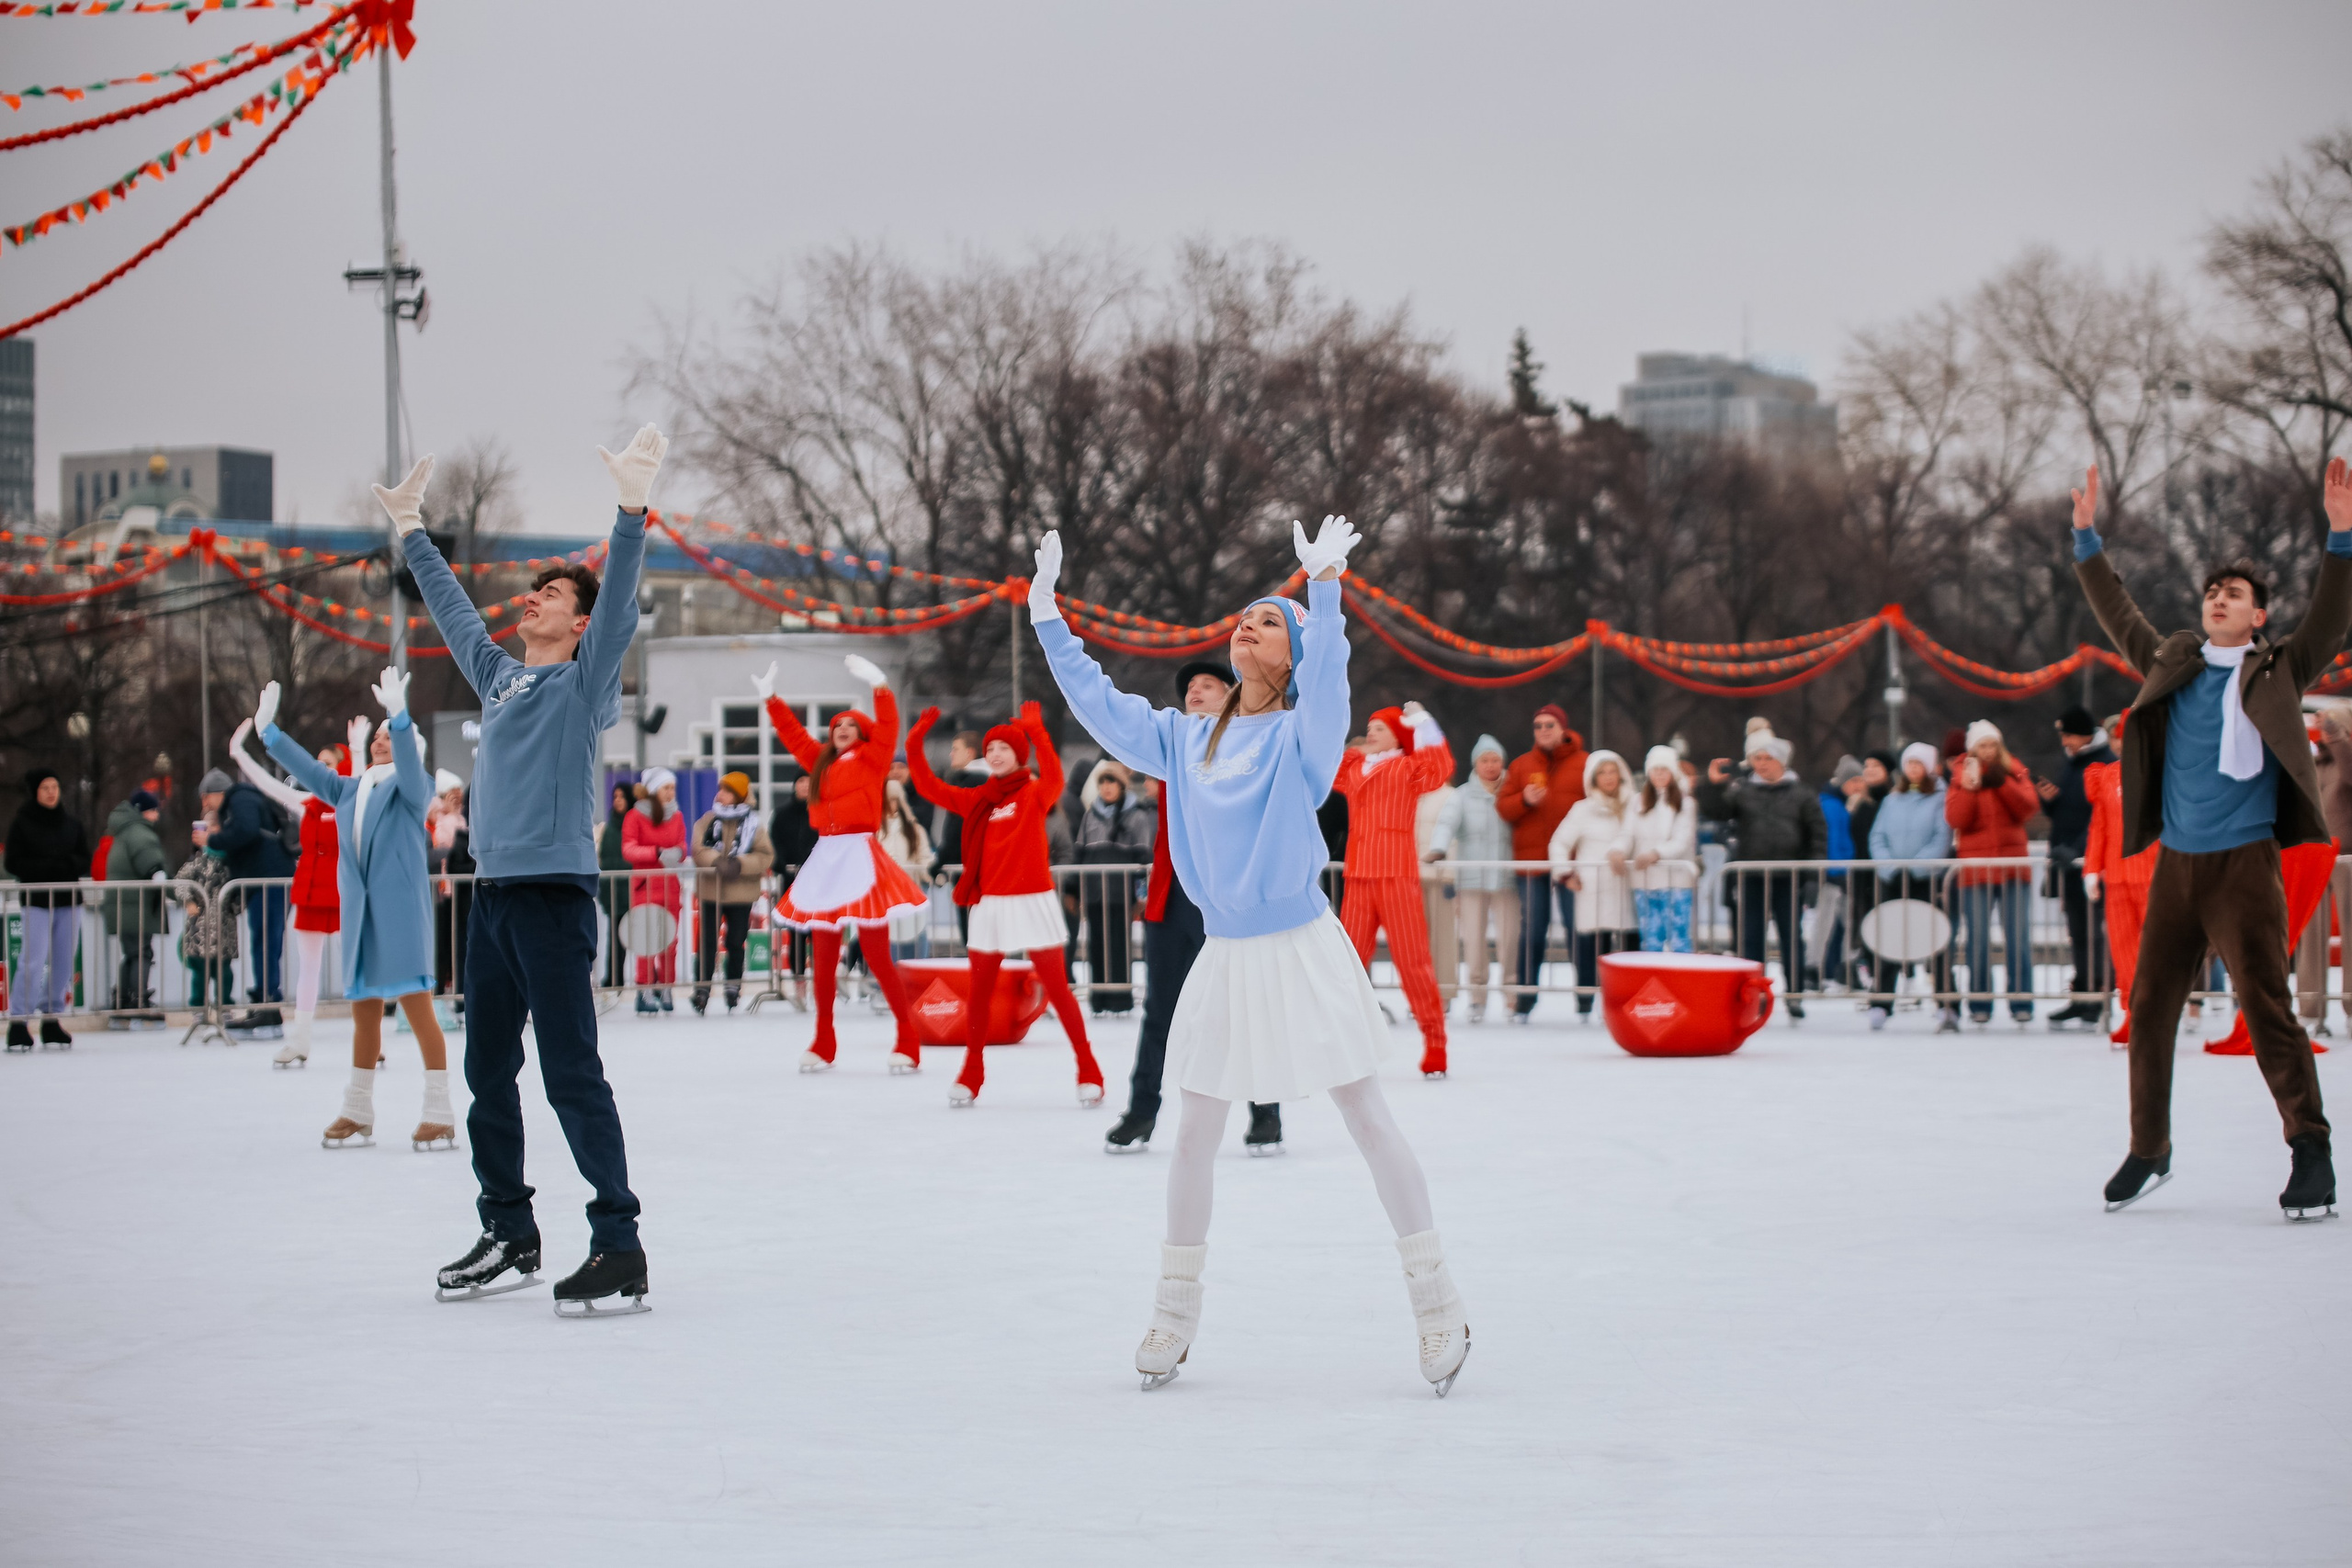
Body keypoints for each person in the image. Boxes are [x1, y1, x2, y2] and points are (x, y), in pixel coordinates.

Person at [1034, 515, 1470, 1396]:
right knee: (1193, 1130)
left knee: (1366, 1117)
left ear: (1291, 654)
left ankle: (1438, 1307)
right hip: (1226, 954)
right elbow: (1099, 703)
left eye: (1266, 621)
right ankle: (1173, 1312)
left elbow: (1335, 675)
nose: (1246, 625)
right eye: (1243, 617)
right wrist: (1049, 618)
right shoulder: (1181, 738)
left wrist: (1325, 591)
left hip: (1303, 942)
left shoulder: (1305, 738)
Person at [390, 431, 664, 1315]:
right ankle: (509, 1227)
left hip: (552, 897)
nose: (532, 599)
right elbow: (455, 614)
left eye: (549, 593)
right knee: (486, 1073)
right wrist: (411, 533)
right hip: (494, 901)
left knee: (570, 1073)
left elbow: (617, 605)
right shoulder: (501, 679)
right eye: (536, 589)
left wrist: (629, 513)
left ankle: (618, 1240)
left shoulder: (583, 682)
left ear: (577, 623)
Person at [2074, 457, 2351, 1219]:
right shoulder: (2174, 661)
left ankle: (2310, 1148)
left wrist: (2342, 535)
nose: (2217, 600)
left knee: (2266, 1005)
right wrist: (2086, 537)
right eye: (2212, 592)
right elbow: (2119, 613)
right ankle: (2149, 1146)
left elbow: (2331, 614)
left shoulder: (2280, 667)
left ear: (2258, 615)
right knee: (2151, 1003)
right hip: (2178, 864)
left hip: (2243, 863)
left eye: (2233, 594)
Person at [256, 671, 458, 1152]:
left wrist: (402, 717)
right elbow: (309, 771)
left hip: (401, 914)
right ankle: (358, 1108)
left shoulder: (414, 787)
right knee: (364, 1013)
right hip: (362, 915)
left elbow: (410, 763)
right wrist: (270, 733)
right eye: (381, 736)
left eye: (392, 736)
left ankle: (439, 1111)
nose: (383, 741)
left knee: (418, 1010)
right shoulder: (350, 789)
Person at [1104, 661, 1285, 1155]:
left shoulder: (1253, 744)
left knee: (1245, 1011)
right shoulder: (1172, 746)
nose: (1195, 693)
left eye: (1208, 686)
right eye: (1189, 689)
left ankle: (1266, 1113)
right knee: (1161, 1013)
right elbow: (1125, 731)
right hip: (1173, 900)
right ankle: (1142, 1111)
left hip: (1229, 901)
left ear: (1232, 695)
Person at [907, 701, 1107, 1107]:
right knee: (978, 994)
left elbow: (1054, 773)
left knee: (1058, 989)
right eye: (990, 748)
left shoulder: (1035, 792)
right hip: (990, 905)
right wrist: (915, 739)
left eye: (1004, 747)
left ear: (1019, 755)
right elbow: (928, 787)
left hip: (1033, 901)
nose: (995, 753)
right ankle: (972, 1071)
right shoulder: (978, 798)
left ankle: (1088, 1067)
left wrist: (1037, 732)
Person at [754, 654, 926, 1072]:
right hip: (827, 856)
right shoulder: (822, 763)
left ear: (861, 733)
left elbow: (888, 728)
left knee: (876, 952)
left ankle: (907, 1036)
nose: (843, 730)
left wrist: (881, 686)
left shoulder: (873, 757)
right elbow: (794, 737)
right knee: (824, 954)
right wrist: (772, 699)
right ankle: (823, 1040)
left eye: (850, 725)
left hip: (859, 855)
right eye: (836, 727)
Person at [1333, 701, 1456, 1075]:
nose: (1372, 732)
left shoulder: (1408, 767)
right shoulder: (1355, 767)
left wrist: (1423, 722)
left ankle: (1435, 1041)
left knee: (1413, 962)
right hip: (1358, 877)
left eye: (1380, 728)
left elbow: (1441, 768)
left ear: (1398, 736)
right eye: (1369, 726)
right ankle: (1343, 1042)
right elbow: (1325, 768)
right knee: (1347, 964)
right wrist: (1358, 749)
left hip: (1396, 875)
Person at [227, 718, 346, 1065]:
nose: (320, 768)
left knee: (355, 969)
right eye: (317, 762)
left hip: (342, 892)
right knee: (307, 969)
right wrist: (239, 754)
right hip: (310, 891)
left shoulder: (353, 799)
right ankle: (300, 1039)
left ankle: (371, 1039)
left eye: (328, 763)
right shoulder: (306, 801)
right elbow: (266, 785)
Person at [1699, 731, 1827, 1019]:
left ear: (1782, 762)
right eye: (1757, 757)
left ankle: (1794, 993)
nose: (1762, 763)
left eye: (1768, 758)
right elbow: (1717, 811)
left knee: (1790, 937)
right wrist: (1712, 786)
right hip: (1752, 875)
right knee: (1751, 938)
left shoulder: (1802, 794)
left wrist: (1811, 878)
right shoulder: (1743, 790)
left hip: (1789, 875)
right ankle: (1753, 994)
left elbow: (1817, 838)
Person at [1495, 705, 1587, 1023]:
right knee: (1533, 932)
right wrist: (1524, 801)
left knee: (1580, 930)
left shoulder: (1585, 764)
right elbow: (1503, 808)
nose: (1544, 731)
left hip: (1573, 864)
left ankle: (1587, 997)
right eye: (1538, 726)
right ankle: (1525, 999)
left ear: (1563, 728)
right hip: (1532, 864)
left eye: (1549, 725)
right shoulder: (1521, 766)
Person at [1946, 721, 2041, 1028]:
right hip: (1976, 870)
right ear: (1972, 749)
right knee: (1978, 939)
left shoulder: (2013, 770)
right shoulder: (1960, 775)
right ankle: (1980, 1002)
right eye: (1982, 746)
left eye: (1992, 745)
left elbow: (2028, 809)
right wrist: (1970, 787)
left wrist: (2002, 783)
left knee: (2018, 937)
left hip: (2013, 866)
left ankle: (2021, 1000)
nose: (1987, 751)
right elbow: (1957, 818)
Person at [207, 743, 296, 1041]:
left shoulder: (240, 798)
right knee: (264, 943)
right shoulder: (243, 799)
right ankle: (265, 1002)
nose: (207, 806)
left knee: (266, 943)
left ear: (215, 793)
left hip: (270, 880)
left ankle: (269, 1007)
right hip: (267, 880)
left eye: (207, 799)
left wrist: (215, 838)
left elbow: (245, 830)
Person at [1428, 734, 1518, 1021]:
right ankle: (1477, 998)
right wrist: (1438, 848)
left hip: (1506, 878)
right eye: (1485, 760)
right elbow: (1446, 823)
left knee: (1509, 940)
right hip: (1471, 880)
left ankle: (1512, 996)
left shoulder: (1513, 791)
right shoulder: (1462, 795)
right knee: (1474, 940)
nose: (1490, 766)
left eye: (1495, 760)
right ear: (1476, 764)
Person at [1867, 743, 1956, 1031]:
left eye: (1919, 764)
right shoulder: (1893, 799)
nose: (1913, 770)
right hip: (1894, 880)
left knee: (1936, 940)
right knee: (1890, 939)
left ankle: (1947, 1003)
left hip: (1926, 881)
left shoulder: (1941, 798)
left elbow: (1941, 838)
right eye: (1909, 764)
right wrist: (1890, 867)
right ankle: (1880, 1002)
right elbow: (1877, 836)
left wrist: (1916, 867)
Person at [1547, 750, 1637, 1014]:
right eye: (1602, 772)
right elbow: (1559, 843)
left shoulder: (1635, 805)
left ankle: (1627, 1004)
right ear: (1593, 778)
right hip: (1593, 891)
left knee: (1630, 950)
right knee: (1591, 949)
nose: (1608, 777)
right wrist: (1565, 874)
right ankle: (1586, 1004)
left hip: (1627, 889)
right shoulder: (1582, 810)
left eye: (1613, 771)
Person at [5, 768, 89, 1049]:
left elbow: (83, 858)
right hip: (37, 901)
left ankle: (52, 1018)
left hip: (68, 901)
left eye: (55, 786)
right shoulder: (23, 824)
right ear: (35, 792)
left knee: (64, 960)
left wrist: (63, 866)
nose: (52, 792)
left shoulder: (71, 824)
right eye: (45, 788)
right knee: (33, 960)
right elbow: (14, 862)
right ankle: (19, 1021)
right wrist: (47, 868)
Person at [2041, 707, 2115, 1031]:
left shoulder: (2104, 762)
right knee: (2078, 932)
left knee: (2093, 932)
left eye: (2068, 735)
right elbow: (2071, 811)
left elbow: (2102, 813)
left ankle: (2097, 997)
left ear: (2084, 735)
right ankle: (2082, 994)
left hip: (2091, 862)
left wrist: (2078, 849)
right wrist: (2050, 803)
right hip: (2070, 861)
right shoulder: (2073, 765)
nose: (2065, 742)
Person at [2081, 714, 2149, 1046]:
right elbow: (2100, 826)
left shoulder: (2162, 774)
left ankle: (2154, 1015)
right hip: (2118, 876)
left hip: (2153, 873)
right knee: (2124, 951)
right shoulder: (2107, 777)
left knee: (2155, 951)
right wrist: (2092, 869)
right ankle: (2133, 1013)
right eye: (2119, 738)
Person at [690, 772, 775, 1013]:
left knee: (736, 941)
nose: (720, 794)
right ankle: (702, 988)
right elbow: (697, 848)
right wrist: (716, 861)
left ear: (738, 795)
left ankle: (733, 986)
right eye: (720, 789)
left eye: (726, 790)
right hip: (711, 891)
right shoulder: (708, 820)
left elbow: (765, 855)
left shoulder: (754, 824)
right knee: (706, 942)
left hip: (741, 892)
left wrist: (740, 864)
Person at [1073, 761, 1154, 1014]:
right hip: (1096, 893)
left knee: (1120, 946)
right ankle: (1099, 999)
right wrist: (1074, 892)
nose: (1107, 788)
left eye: (1112, 783)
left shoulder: (1136, 815)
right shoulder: (1090, 814)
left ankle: (1120, 999)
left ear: (1122, 786)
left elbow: (1143, 860)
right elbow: (1080, 855)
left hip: (1122, 894)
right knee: (1096, 945)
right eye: (1103, 783)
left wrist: (1141, 896)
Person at [620, 768, 687, 1015]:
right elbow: (628, 849)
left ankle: (666, 987)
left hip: (670, 885)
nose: (670, 793)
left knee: (670, 939)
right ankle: (645, 989)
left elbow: (682, 843)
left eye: (672, 788)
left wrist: (678, 853)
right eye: (665, 788)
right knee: (646, 939)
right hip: (645, 885)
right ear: (653, 790)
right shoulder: (635, 816)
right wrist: (656, 852)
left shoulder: (677, 816)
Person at [100, 788, 169, 1027]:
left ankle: (124, 999)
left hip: (125, 904)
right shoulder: (139, 832)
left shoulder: (125, 831)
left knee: (132, 953)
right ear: (142, 812)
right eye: (153, 811)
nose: (157, 816)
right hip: (134, 905)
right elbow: (152, 866)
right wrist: (171, 887)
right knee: (141, 953)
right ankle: (137, 1000)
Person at [1620, 746, 1699, 953]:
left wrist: (1657, 854)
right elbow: (1627, 834)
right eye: (1655, 769)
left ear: (1673, 772)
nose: (1660, 774)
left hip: (1676, 881)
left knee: (1679, 938)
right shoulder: (1637, 802)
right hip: (1645, 881)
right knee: (1650, 940)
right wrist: (1617, 851)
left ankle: (1681, 981)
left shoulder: (1685, 803)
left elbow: (1682, 840)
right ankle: (1653, 982)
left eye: (1665, 769)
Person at [926, 729, 988, 945]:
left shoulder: (968, 782)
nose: (951, 754)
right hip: (988, 865)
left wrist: (940, 861)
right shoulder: (993, 780)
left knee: (974, 938)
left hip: (971, 869)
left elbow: (957, 829)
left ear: (970, 752)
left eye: (955, 749)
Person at [174, 817, 239, 1017]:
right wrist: (188, 901)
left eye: (213, 827)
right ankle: (198, 1008)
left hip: (223, 926)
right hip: (200, 926)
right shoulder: (198, 861)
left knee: (224, 972)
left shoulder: (231, 860)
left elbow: (239, 888)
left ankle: (225, 1006)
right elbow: (179, 881)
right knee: (200, 972)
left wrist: (237, 906)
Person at [768, 772, 820, 1008]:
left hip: (820, 884)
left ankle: (822, 983)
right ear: (794, 785)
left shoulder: (822, 811)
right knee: (797, 935)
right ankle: (799, 984)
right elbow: (774, 844)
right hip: (792, 884)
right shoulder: (782, 814)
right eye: (800, 781)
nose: (804, 786)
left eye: (809, 782)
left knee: (819, 935)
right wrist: (781, 865)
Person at [1813, 755, 1863, 990]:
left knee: (1847, 922)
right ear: (1844, 782)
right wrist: (1835, 872)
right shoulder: (1831, 806)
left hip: (1842, 872)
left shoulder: (1840, 804)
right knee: (1826, 921)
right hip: (1834, 874)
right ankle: (1813, 968)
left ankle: (1846, 965)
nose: (1859, 787)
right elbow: (1832, 842)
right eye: (1855, 782)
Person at [876, 780, 932, 962]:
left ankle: (916, 982)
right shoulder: (874, 831)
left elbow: (924, 857)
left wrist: (929, 873)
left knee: (915, 940)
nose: (891, 804)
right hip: (884, 897)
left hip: (910, 893)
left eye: (894, 799)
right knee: (887, 945)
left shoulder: (915, 830)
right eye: (887, 799)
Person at [596, 782, 633, 990]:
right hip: (614, 891)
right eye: (615, 796)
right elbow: (604, 858)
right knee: (615, 938)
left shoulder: (635, 824)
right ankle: (614, 978)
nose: (618, 800)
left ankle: (649, 979)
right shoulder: (609, 828)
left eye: (622, 796)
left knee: (641, 935)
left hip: (633, 889)